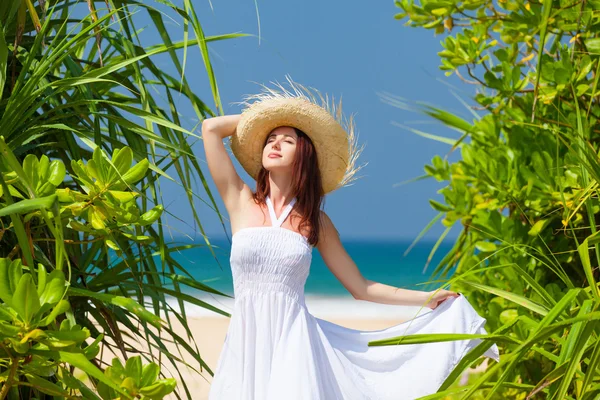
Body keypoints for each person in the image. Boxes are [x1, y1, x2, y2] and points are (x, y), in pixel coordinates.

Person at [202, 76, 499, 400]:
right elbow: (210, 129)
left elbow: (361, 288)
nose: (274, 143)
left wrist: (425, 299)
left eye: (287, 140)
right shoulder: (241, 201)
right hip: (245, 341)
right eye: (270, 138)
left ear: (304, 155)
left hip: (295, 343)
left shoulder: (316, 222)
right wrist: (260, 119)